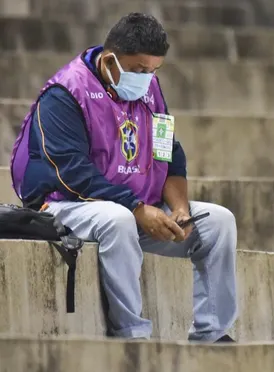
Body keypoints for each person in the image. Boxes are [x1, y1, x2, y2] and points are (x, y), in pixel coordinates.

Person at [10, 13, 238, 342]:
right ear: (109, 59)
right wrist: (136, 208)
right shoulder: (65, 94)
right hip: (65, 206)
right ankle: (132, 336)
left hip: (135, 207)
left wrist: (180, 210)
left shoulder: (151, 91)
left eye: (153, 71)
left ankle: (213, 334)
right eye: (138, 70)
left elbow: (168, 154)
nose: (146, 79)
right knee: (117, 219)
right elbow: (72, 171)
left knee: (219, 222)